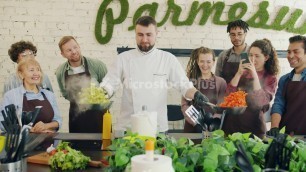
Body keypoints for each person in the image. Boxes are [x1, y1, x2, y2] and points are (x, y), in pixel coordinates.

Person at [100, 16, 209, 133]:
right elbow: (110, 82)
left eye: (149, 35)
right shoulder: (123, 58)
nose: (144, 39)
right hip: (128, 127)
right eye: (140, 35)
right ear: (135, 34)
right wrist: (102, 93)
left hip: (157, 128)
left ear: (157, 33)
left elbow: (184, 85)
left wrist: (196, 94)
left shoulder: (167, 59)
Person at [222, 39, 279, 138]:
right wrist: (239, 73)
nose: (252, 59)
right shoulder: (242, 73)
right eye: (251, 55)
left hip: (255, 128)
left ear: (266, 57)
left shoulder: (271, 78)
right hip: (232, 126)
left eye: (257, 56)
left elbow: (261, 102)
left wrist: (255, 75)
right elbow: (228, 96)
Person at [55, 36, 108, 133]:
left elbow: (108, 87)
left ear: (79, 46)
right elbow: (65, 93)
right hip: (77, 117)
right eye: (69, 50)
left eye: (75, 47)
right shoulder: (60, 72)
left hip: (98, 116)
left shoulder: (97, 65)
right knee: (76, 147)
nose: (74, 51)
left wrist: (97, 98)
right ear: (62, 54)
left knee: (103, 147)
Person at [1, 58, 61, 133]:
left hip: (48, 142)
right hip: (22, 142)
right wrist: (30, 130)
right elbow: (3, 123)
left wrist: (45, 126)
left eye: (38, 70)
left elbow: (58, 121)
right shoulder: (11, 95)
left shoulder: (49, 94)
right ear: (21, 74)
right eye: (31, 70)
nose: (36, 73)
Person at [267, 35, 306, 136]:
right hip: (285, 135)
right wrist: (274, 127)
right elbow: (279, 104)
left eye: (296, 52)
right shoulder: (284, 79)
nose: (291, 56)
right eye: (289, 52)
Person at [181, 47, 226, 133]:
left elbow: (221, 107)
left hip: (212, 128)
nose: (205, 65)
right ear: (197, 62)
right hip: (192, 127)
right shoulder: (190, 81)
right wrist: (196, 123)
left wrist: (216, 121)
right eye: (202, 61)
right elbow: (184, 106)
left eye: (208, 62)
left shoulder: (221, 82)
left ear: (213, 62)